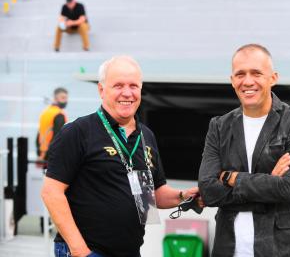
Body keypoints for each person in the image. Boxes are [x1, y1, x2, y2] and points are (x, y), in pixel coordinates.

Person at [41, 56, 202, 257]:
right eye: (118, 85)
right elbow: (51, 193)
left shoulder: (146, 136)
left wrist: (184, 196)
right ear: (101, 90)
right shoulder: (77, 132)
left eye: (133, 86)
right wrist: (80, 251)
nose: (127, 93)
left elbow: (155, 195)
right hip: (86, 252)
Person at [198, 44, 290, 257]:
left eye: (256, 73)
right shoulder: (219, 126)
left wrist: (231, 177)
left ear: (273, 78)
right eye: (240, 74)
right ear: (232, 80)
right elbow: (208, 191)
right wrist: (269, 180)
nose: (248, 81)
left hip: (285, 249)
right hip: (230, 248)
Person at [36, 87, 68, 166]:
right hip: (53, 155)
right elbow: (58, 137)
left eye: (66, 98)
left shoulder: (46, 112)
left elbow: (39, 134)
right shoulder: (59, 114)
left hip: (43, 153)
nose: (65, 101)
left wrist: (40, 154)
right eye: (63, 98)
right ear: (55, 98)